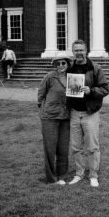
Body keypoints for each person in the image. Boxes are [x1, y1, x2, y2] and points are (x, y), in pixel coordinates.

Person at [67, 39, 109, 188]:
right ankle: (79, 173)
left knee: (92, 146)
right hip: (73, 113)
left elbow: (105, 89)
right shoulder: (69, 68)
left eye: (81, 50)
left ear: (86, 51)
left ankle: (93, 175)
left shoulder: (95, 68)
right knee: (76, 147)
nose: (79, 53)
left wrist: (90, 91)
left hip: (90, 113)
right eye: (76, 50)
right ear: (73, 52)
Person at [37, 54, 72, 185]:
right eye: (58, 63)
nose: (61, 66)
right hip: (49, 117)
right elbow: (40, 94)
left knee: (63, 148)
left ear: (67, 64)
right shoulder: (50, 77)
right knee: (50, 148)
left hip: (65, 116)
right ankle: (51, 178)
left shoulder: (72, 78)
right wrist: (43, 107)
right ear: (55, 65)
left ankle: (62, 176)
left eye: (63, 63)